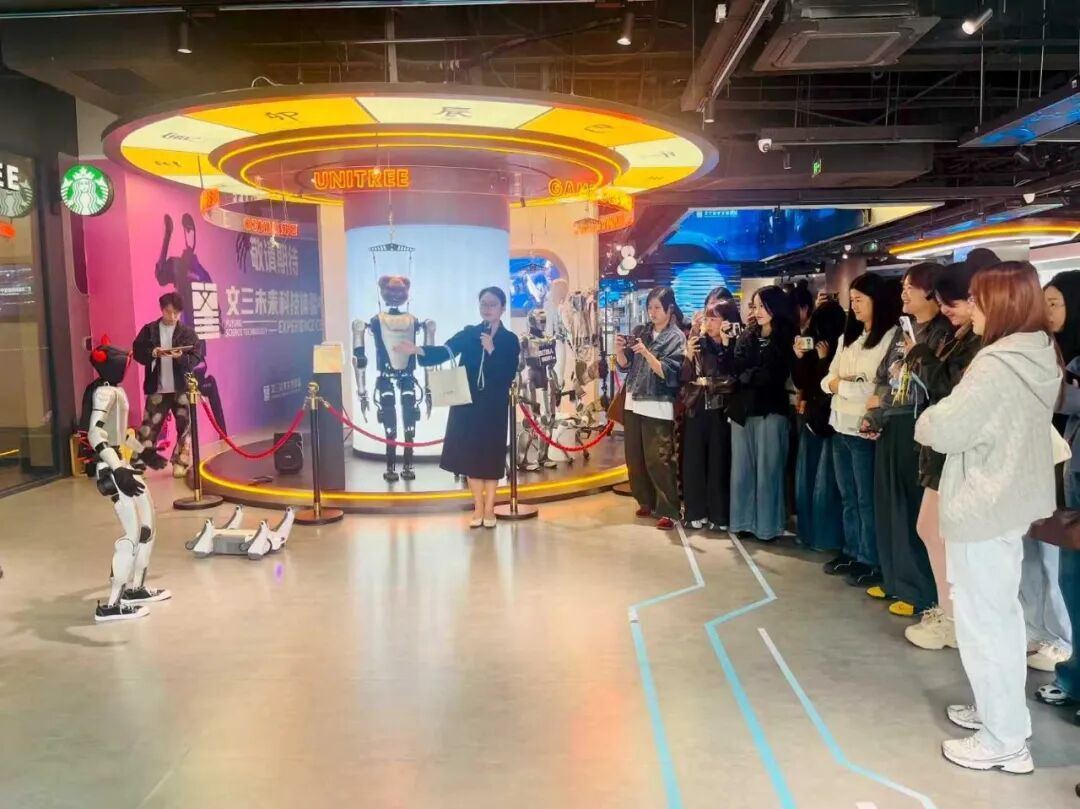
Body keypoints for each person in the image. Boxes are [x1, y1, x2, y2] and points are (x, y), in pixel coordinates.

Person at [914, 261, 1059, 774]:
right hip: (1008, 500)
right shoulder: (1037, 353)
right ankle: (1001, 715)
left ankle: (1004, 740)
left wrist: (928, 418)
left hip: (982, 502)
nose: (970, 307)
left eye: (978, 298)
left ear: (1000, 304)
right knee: (1001, 616)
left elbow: (947, 427)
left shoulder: (995, 364)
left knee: (984, 623)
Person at [861, 263, 952, 617]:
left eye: (910, 287)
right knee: (888, 505)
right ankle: (894, 577)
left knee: (912, 508)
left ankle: (918, 590)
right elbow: (885, 377)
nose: (903, 293)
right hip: (892, 421)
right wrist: (875, 415)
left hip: (918, 425)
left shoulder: (941, 334)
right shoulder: (903, 330)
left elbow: (935, 385)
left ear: (930, 292)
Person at [902, 262, 984, 651]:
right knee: (931, 529)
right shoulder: (960, 337)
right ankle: (948, 613)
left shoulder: (979, 345)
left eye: (953, 302)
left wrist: (921, 354)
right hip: (942, 449)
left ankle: (953, 617)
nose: (947, 309)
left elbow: (950, 390)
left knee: (940, 533)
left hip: (959, 451)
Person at [401, 288, 519, 528]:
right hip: (468, 403)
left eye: (492, 304)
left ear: (502, 308)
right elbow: (446, 351)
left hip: (494, 406)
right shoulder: (470, 333)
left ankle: (490, 508)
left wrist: (492, 350)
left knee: (491, 456)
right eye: (483, 303)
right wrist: (418, 350)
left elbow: (509, 373)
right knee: (472, 457)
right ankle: (478, 507)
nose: (487, 308)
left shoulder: (509, 339)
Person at [821, 273, 899, 586]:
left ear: (877, 301)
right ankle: (852, 551)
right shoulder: (848, 338)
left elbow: (876, 389)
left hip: (865, 430)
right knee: (848, 496)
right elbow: (826, 380)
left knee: (866, 499)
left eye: (860, 300)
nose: (854, 306)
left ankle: (870, 558)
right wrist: (847, 385)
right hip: (840, 425)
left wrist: (843, 386)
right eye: (851, 300)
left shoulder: (890, 338)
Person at [86, 337, 171, 623]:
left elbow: (120, 435)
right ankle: (111, 605)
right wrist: (116, 468)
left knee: (148, 525)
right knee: (132, 534)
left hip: (122, 465)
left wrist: (143, 453)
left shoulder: (114, 392)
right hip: (112, 469)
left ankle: (136, 589)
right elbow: (95, 434)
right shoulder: (103, 394)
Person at [1019, 272, 1078, 674]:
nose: (1047, 312)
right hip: (1035, 460)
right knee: (1032, 548)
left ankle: (1062, 638)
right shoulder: (1041, 347)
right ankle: (1036, 629)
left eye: (1055, 303)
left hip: (1066, 465)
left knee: (1058, 554)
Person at [1034, 271, 1080, 708]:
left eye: (1055, 303)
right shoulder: (1054, 350)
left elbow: (1062, 400)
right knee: (1069, 576)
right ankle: (1073, 678)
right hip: (1068, 476)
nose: (1046, 311)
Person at [615, 287, 686, 531]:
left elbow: (669, 373)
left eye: (657, 307)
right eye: (649, 307)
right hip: (633, 400)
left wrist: (646, 353)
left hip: (657, 402)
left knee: (659, 459)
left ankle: (669, 509)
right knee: (635, 457)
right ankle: (645, 500)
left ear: (669, 309)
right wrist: (619, 351)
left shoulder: (676, 337)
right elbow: (625, 366)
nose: (652, 312)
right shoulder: (642, 331)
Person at [729, 286, 796, 541]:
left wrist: (749, 375)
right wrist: (749, 374)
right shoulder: (748, 335)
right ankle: (743, 522)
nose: (756, 311)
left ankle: (767, 527)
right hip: (742, 410)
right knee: (742, 470)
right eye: (754, 306)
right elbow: (736, 368)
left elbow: (774, 374)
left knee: (769, 470)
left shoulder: (787, 337)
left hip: (771, 409)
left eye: (761, 306)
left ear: (774, 307)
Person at [791, 298, 847, 551]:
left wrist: (824, 360)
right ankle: (811, 533)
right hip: (814, 419)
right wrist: (800, 357)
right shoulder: (812, 345)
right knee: (812, 480)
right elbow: (802, 381)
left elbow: (826, 385)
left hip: (828, 421)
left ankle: (822, 536)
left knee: (822, 483)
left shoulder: (842, 348)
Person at [680, 298, 739, 531]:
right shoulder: (698, 342)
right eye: (708, 318)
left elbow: (733, 376)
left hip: (721, 410)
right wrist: (688, 354)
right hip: (696, 407)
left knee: (719, 462)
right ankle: (695, 511)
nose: (710, 323)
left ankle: (719, 514)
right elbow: (685, 377)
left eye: (715, 318)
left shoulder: (732, 343)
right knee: (694, 460)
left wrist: (725, 345)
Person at [132, 292, 205, 477]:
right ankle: (137, 464)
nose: (172, 316)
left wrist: (181, 358)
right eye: (168, 312)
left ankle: (180, 462)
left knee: (185, 427)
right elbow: (138, 351)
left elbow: (196, 356)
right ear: (161, 309)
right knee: (148, 427)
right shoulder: (149, 330)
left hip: (182, 388)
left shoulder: (187, 333)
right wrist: (152, 352)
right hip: (157, 388)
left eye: (176, 313)